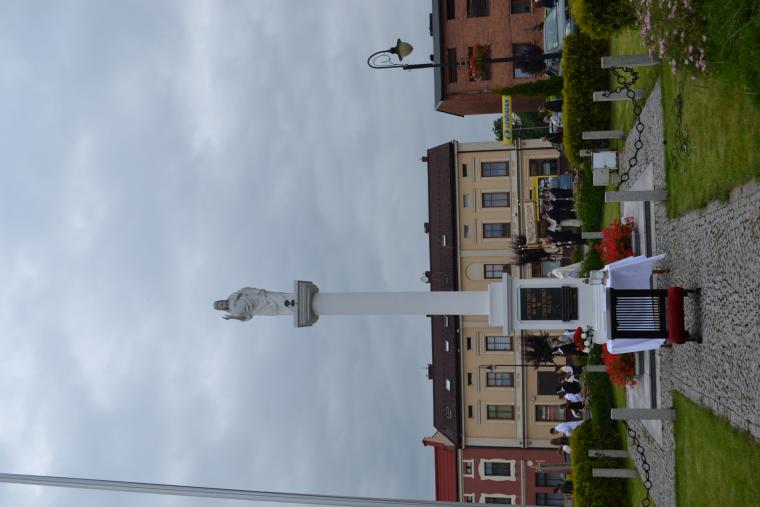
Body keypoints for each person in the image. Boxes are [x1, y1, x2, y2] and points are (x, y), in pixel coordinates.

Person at [213, 287, 295, 321]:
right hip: (259, 309)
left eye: (220, 303)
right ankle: (291, 308)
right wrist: (233, 317)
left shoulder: (232, 296)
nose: (222, 305)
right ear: (221, 309)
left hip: (258, 298)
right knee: (276, 309)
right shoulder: (233, 312)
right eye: (220, 306)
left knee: (277, 298)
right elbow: (247, 317)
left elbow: (243, 290)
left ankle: (291, 299)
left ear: (221, 300)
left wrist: (258, 291)